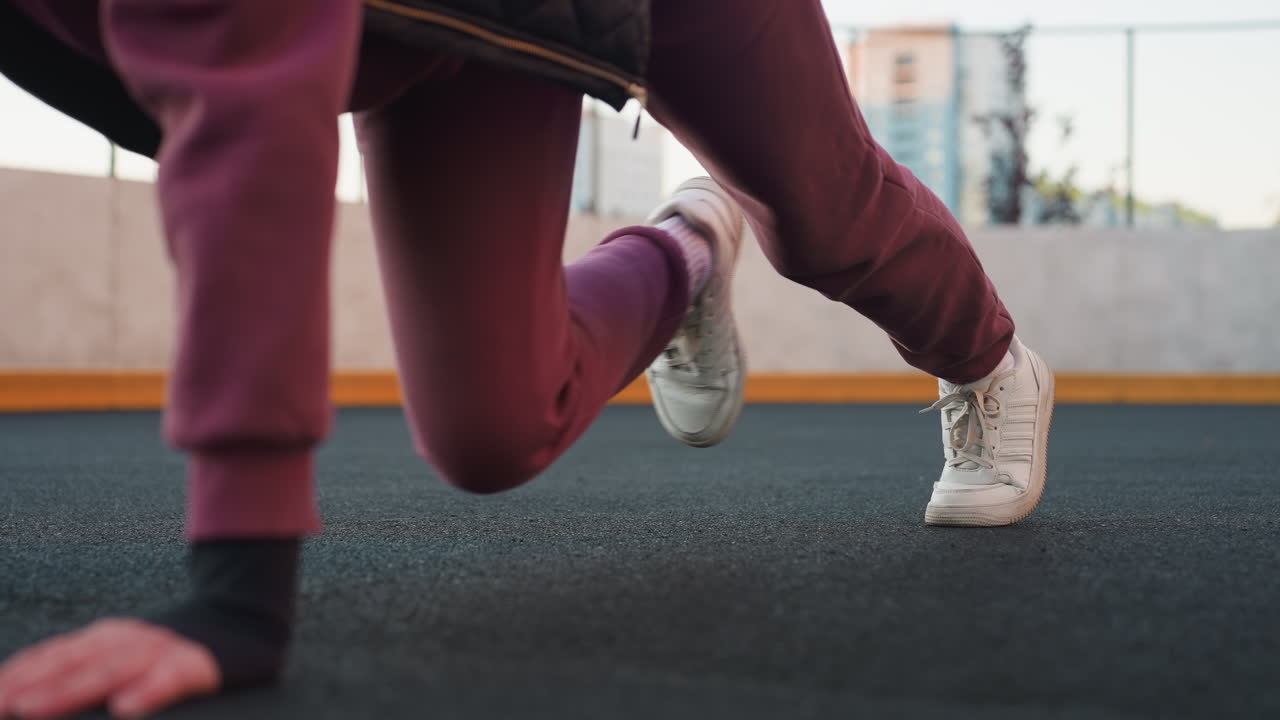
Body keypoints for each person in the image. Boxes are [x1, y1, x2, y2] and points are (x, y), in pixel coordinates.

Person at [0, 0, 1055, 717]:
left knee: (823, 219)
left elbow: (243, 123)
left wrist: (238, 588)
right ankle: (684, 255)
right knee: (492, 430)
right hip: (445, 27)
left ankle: (987, 360)